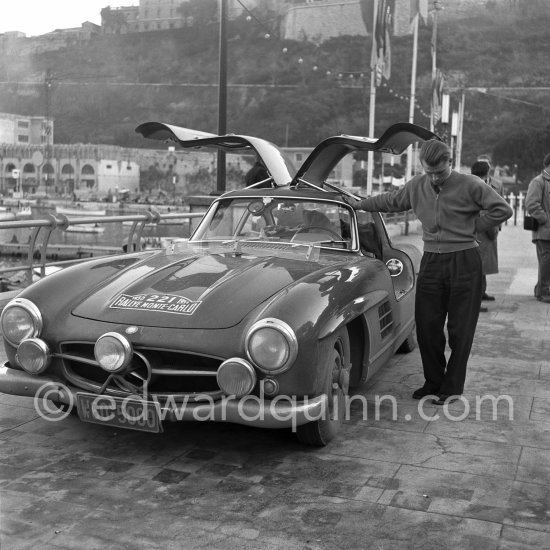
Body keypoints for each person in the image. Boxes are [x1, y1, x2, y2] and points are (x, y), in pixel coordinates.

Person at [344, 139, 513, 405]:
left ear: (449, 161)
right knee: (427, 326)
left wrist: (474, 227)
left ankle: (452, 387)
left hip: (464, 260)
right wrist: (359, 204)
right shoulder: (417, 185)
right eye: (429, 171)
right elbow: (391, 200)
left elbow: (503, 209)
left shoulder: (471, 184)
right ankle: (433, 381)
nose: (434, 177)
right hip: (432, 260)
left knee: (461, 328)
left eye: (440, 171)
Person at [471, 160, 503, 310]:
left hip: (488, 229)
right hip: (481, 228)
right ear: (487, 172)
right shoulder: (474, 186)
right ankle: (476, 300)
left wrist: (497, 227)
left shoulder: (492, 184)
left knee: (482, 265)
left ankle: (481, 293)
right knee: (478, 266)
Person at [525, 153, 550, 303]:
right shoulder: (538, 181)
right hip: (544, 231)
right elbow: (531, 204)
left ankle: (540, 289)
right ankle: (543, 291)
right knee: (546, 261)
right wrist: (546, 220)